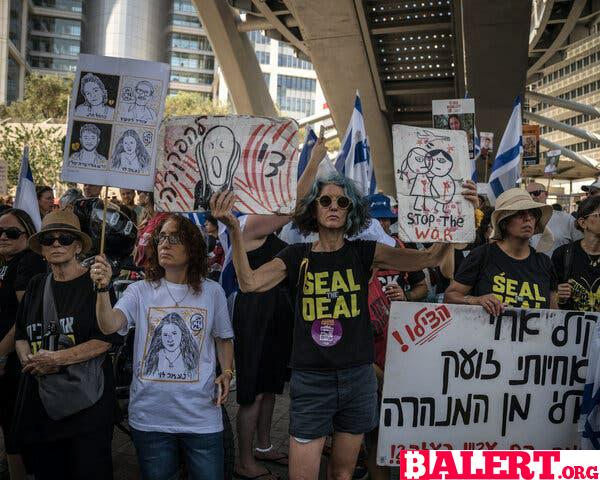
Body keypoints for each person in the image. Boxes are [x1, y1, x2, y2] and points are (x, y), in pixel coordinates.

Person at [211, 173, 477, 479]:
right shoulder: (297, 255)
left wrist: (456, 214)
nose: (334, 206)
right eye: (325, 200)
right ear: (314, 209)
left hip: (357, 378)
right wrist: (233, 229)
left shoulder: (365, 251)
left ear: (351, 210)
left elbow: (427, 259)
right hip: (311, 381)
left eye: (343, 201)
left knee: (342, 474)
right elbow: (249, 283)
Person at [92, 214, 234, 480]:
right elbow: (109, 325)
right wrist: (102, 289)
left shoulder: (212, 292)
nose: (165, 244)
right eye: (162, 238)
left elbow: (223, 337)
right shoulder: (140, 291)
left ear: (192, 247)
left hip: (201, 416)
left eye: (174, 237)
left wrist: (227, 372)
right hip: (150, 417)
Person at [13, 210, 119, 480]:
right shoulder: (36, 284)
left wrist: (57, 359)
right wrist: (30, 361)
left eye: (65, 239)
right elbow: (22, 335)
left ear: (78, 246)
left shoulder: (96, 283)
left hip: (87, 405)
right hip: (43, 403)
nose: (56, 244)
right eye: (49, 240)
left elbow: (105, 340)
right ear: (42, 249)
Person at [445, 188, 559, 315]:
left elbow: (553, 312)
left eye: (533, 214)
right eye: (519, 213)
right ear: (504, 222)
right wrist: (476, 300)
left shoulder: (544, 262)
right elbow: (450, 296)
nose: (528, 218)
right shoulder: (482, 255)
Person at [0, 209, 46, 480]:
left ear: (28, 234)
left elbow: (25, 316)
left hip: (14, 359)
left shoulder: (28, 262)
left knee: (14, 426)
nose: (3, 237)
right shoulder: (5, 261)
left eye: (12, 232)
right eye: (0, 232)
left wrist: (2, 354)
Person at [553, 196, 600, 311]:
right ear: (583, 223)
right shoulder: (563, 254)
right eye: (598, 215)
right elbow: (549, 295)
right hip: (571, 326)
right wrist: (558, 295)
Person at [526, 182, 582, 255]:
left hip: (558, 265)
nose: (532, 196)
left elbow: (581, 243)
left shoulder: (565, 219)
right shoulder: (523, 220)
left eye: (536, 193)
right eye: (528, 194)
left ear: (546, 194)